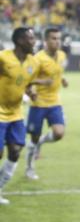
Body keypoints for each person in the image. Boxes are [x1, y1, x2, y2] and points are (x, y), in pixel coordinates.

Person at [0, 27, 50, 204]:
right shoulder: (3, 57)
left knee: (15, 151)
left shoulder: (33, 63)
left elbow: (24, 81)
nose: (34, 41)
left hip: (15, 114)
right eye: (30, 38)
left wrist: (30, 92)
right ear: (20, 41)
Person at [25, 28, 69, 180]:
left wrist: (62, 80)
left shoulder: (62, 55)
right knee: (33, 138)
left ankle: (41, 143)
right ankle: (29, 168)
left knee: (59, 133)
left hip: (55, 102)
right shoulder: (37, 59)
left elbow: (58, 71)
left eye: (58, 38)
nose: (57, 41)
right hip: (38, 103)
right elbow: (26, 79)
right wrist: (33, 89)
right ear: (45, 41)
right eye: (53, 38)